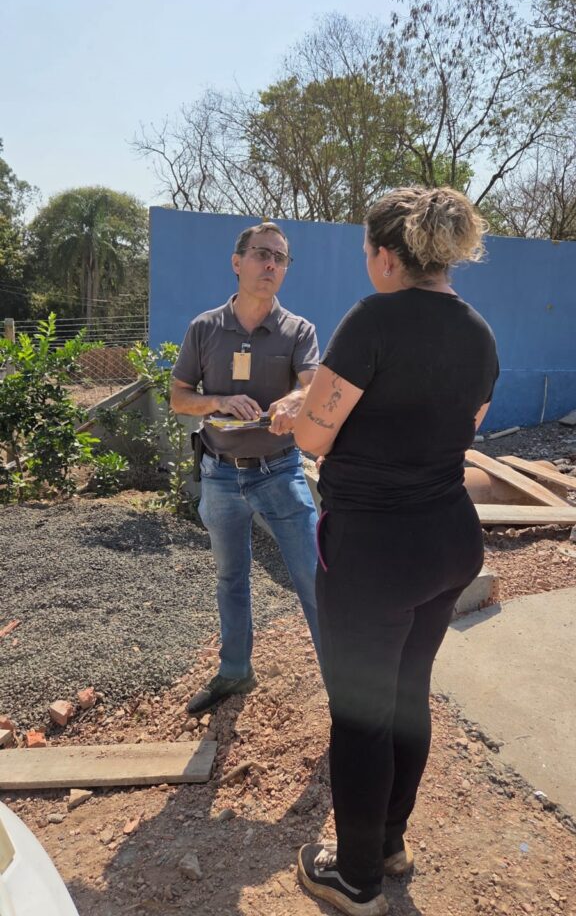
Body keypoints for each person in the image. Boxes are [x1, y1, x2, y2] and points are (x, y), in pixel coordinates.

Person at [292, 187, 499, 916]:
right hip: (449, 541)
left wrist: (297, 411)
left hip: (374, 551)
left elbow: (317, 436)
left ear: (385, 255)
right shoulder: (479, 332)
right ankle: (388, 843)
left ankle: (354, 879)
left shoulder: (372, 318)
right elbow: (461, 428)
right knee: (408, 696)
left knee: (360, 715)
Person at [171, 221, 322, 715]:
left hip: (280, 471)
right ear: (237, 263)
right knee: (230, 579)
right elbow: (178, 398)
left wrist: (294, 402)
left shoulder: (299, 331)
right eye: (261, 255)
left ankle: (345, 693)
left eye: (280, 258)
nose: (271, 265)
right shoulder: (205, 328)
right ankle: (235, 672)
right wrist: (218, 399)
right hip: (219, 473)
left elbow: (312, 385)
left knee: (314, 580)